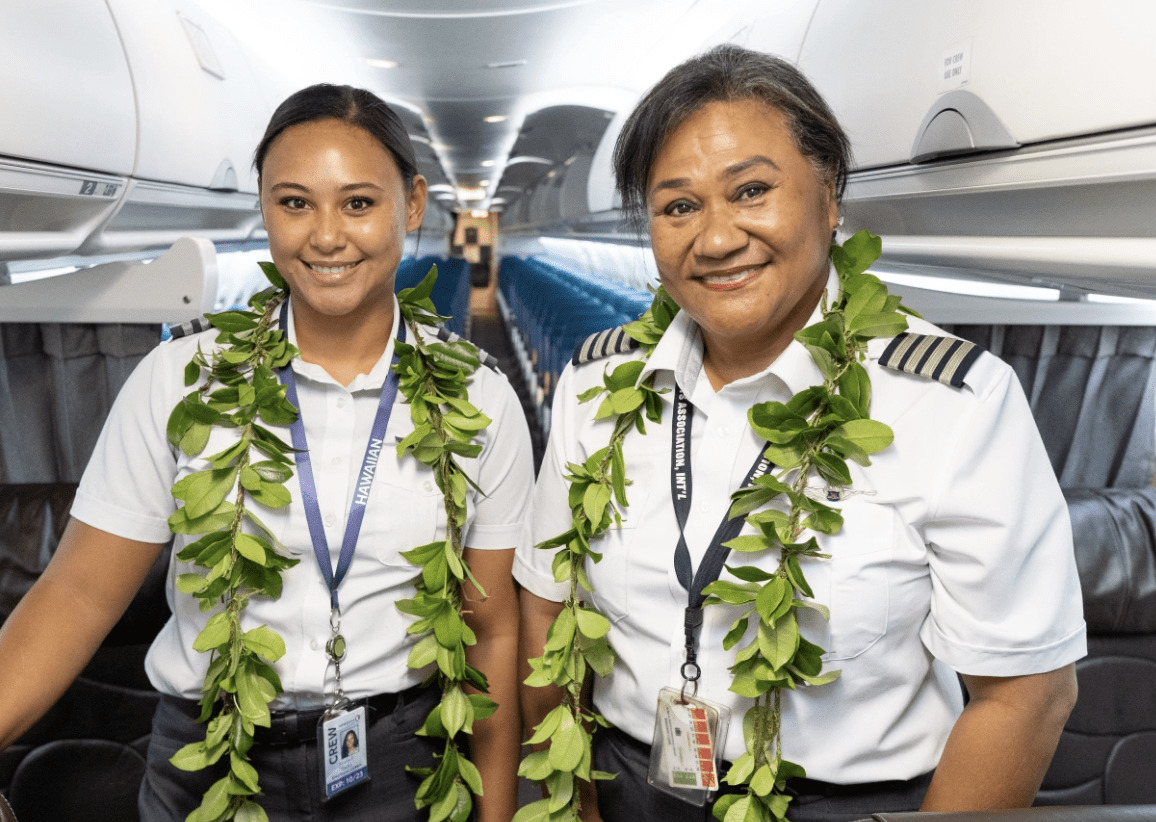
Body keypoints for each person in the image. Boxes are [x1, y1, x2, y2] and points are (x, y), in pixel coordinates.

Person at [515, 45, 1084, 822]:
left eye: (751, 191)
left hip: (847, 805)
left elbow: (1026, 693)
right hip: (626, 786)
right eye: (678, 205)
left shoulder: (952, 401)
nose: (714, 239)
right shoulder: (594, 385)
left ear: (830, 193)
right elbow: (549, 612)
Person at [0, 84, 533, 821]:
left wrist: (497, 814)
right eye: (293, 203)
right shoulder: (181, 380)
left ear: (411, 206)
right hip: (209, 757)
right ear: (263, 208)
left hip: (403, 764)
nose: (325, 236)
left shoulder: (481, 399)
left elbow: (491, 627)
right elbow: (77, 593)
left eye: (357, 203)